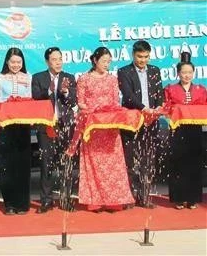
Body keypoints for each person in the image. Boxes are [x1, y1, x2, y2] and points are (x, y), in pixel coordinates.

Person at [77, 47, 134, 212]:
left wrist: (110, 112)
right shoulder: (84, 79)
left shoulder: (112, 79)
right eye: (104, 61)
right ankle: (95, 200)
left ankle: (114, 200)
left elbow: (116, 101)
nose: (106, 65)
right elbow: (80, 103)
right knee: (94, 163)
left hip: (110, 128)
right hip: (93, 128)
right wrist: (95, 110)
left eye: (109, 62)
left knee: (113, 164)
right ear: (95, 61)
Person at [117, 40, 163, 208]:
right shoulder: (124, 72)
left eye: (146, 57)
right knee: (131, 160)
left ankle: (144, 197)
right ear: (133, 55)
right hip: (132, 121)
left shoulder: (155, 71)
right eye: (140, 56)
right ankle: (129, 197)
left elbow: (159, 92)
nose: (143, 60)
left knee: (148, 160)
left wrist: (158, 107)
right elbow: (128, 96)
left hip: (151, 122)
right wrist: (145, 109)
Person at [31, 47, 77, 213]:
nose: (58, 62)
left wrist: (65, 93)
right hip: (46, 126)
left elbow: (73, 101)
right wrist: (49, 90)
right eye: (54, 59)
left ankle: (66, 199)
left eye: (60, 59)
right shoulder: (38, 78)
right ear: (47, 61)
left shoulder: (69, 78)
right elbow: (36, 96)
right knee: (46, 164)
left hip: (65, 126)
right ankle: (46, 201)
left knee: (66, 164)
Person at [163, 52, 206, 210]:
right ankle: (179, 198)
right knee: (178, 162)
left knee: (194, 162)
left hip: (194, 131)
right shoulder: (170, 89)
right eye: (183, 72)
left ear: (193, 73)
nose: (186, 75)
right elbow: (165, 107)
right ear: (178, 73)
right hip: (177, 130)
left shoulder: (201, 89)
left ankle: (193, 198)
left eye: (189, 72)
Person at [0, 47, 32, 215]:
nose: (16, 65)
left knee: (22, 165)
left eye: (19, 62)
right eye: (13, 62)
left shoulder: (29, 78)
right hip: (5, 126)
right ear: (7, 62)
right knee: (6, 165)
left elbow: (31, 99)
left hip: (23, 126)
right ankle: (9, 203)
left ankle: (22, 203)